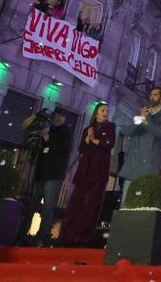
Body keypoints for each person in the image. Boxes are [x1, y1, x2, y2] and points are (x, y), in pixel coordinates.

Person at [58, 103, 115, 245]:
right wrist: (87, 139)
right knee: (77, 201)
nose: (105, 113)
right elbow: (82, 149)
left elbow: (108, 144)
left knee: (92, 203)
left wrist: (95, 140)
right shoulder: (88, 129)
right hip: (85, 169)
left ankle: (84, 236)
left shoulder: (110, 127)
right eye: (103, 110)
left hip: (98, 170)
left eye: (107, 111)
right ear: (96, 113)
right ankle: (68, 235)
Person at [116, 86, 161, 202]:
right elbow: (127, 131)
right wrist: (140, 119)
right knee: (126, 201)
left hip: (148, 166)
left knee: (140, 203)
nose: (152, 97)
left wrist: (146, 123)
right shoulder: (144, 112)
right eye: (151, 95)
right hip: (133, 164)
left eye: (155, 95)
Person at [30, 111, 72, 246]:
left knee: (48, 207)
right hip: (41, 173)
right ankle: (26, 234)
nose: (57, 118)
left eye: (60, 116)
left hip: (54, 175)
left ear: (64, 117)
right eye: (56, 116)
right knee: (33, 205)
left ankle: (41, 237)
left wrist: (49, 141)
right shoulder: (50, 130)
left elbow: (63, 150)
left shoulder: (66, 132)